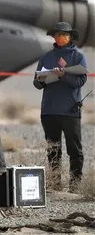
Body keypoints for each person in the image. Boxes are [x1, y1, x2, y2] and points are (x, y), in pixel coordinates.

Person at [33, 22, 88, 192]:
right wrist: (41, 80)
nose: (60, 37)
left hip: (70, 111)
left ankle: (75, 185)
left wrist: (63, 76)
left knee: (74, 150)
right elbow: (36, 83)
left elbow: (81, 81)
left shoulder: (78, 57)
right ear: (54, 37)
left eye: (64, 34)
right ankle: (55, 184)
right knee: (53, 151)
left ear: (70, 37)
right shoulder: (46, 57)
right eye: (57, 35)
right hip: (49, 111)